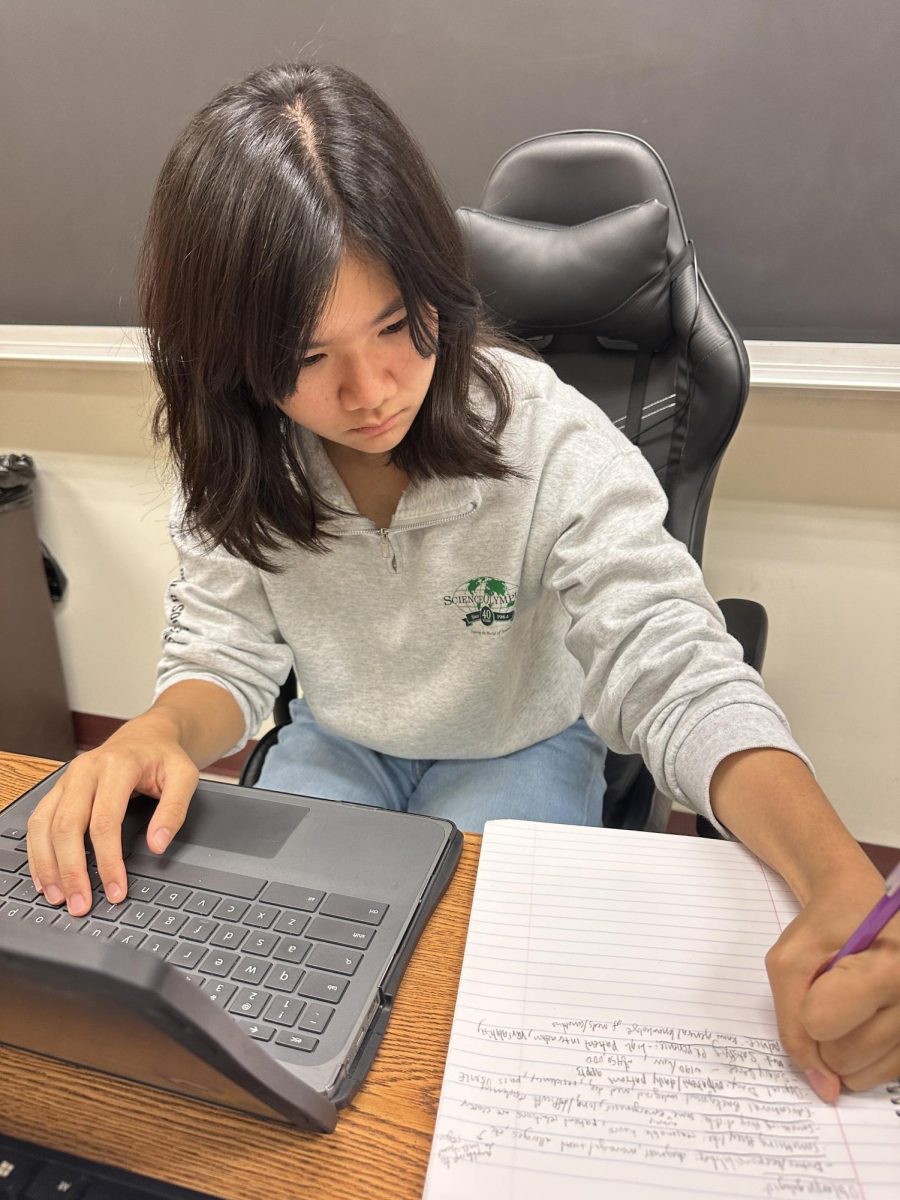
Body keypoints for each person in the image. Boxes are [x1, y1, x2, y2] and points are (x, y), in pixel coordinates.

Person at [25, 62, 899, 1102]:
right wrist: (159, 732)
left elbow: (674, 663)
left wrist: (835, 874)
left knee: (473, 1004)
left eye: (398, 325)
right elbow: (224, 656)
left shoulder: (548, 436)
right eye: (308, 357)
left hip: (520, 739)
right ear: (235, 363)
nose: (373, 391)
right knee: (263, 983)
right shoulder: (240, 456)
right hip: (342, 741)